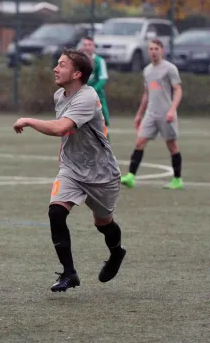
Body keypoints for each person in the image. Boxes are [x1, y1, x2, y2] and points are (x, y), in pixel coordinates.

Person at [13, 48, 126, 292]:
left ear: (76, 73)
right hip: (72, 169)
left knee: (103, 223)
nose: (56, 68)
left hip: (101, 172)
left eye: (62, 65)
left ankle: (117, 253)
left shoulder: (87, 96)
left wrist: (29, 120)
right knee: (56, 212)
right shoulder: (60, 95)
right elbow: (67, 134)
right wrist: (62, 156)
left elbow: (61, 127)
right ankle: (69, 273)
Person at [120, 39, 183, 190]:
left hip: (166, 113)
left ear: (162, 50)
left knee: (172, 145)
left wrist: (172, 110)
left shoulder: (170, 68)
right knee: (140, 142)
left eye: (156, 49)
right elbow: (147, 94)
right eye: (151, 49)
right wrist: (139, 114)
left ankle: (177, 179)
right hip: (151, 114)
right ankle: (130, 176)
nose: (153, 51)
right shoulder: (147, 70)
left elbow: (178, 90)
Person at [80, 36, 110, 129]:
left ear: (94, 47)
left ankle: (104, 143)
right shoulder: (78, 61)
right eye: (85, 45)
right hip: (80, 98)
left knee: (103, 125)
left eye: (89, 45)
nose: (87, 47)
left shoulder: (99, 61)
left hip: (97, 97)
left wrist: (91, 91)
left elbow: (103, 79)